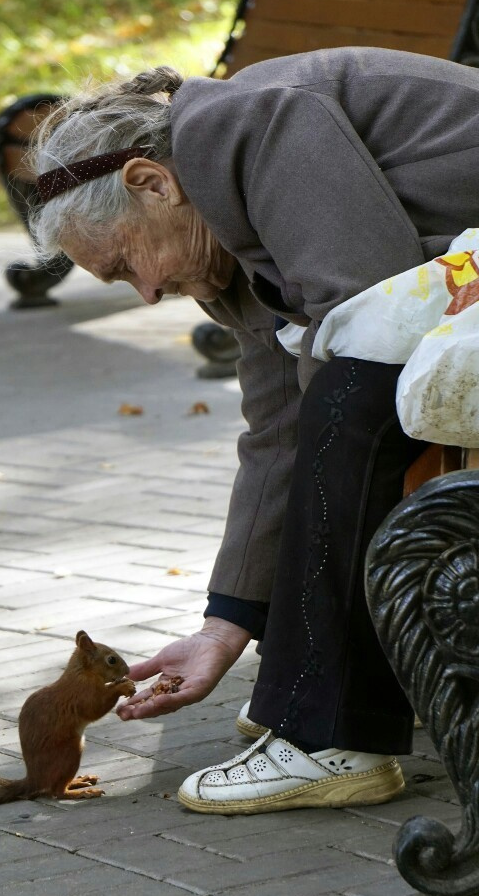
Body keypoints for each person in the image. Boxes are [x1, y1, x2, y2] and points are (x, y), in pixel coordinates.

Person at [26, 48, 479, 815]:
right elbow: (275, 434)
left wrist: (299, 675)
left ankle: (327, 736)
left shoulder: (248, 126)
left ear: (151, 182)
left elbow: (364, 325)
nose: (145, 295)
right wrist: (224, 626)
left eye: (126, 263)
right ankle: (320, 704)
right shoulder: (229, 238)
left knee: (350, 393)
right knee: (335, 400)